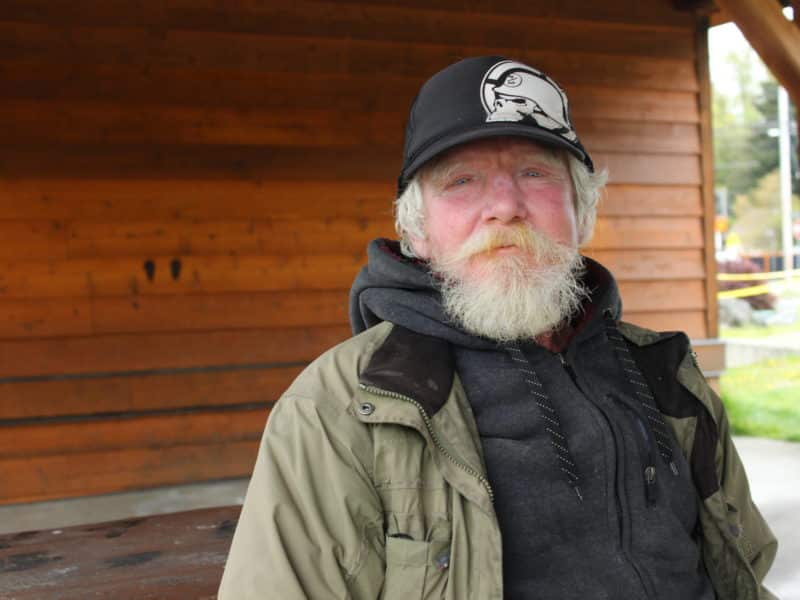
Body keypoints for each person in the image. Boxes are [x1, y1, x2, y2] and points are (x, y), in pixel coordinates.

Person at [218, 56, 777, 599]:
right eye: (462, 180)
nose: (505, 207)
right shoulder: (338, 407)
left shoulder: (666, 376)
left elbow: (743, 570)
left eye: (534, 173)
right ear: (417, 231)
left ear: (581, 212)